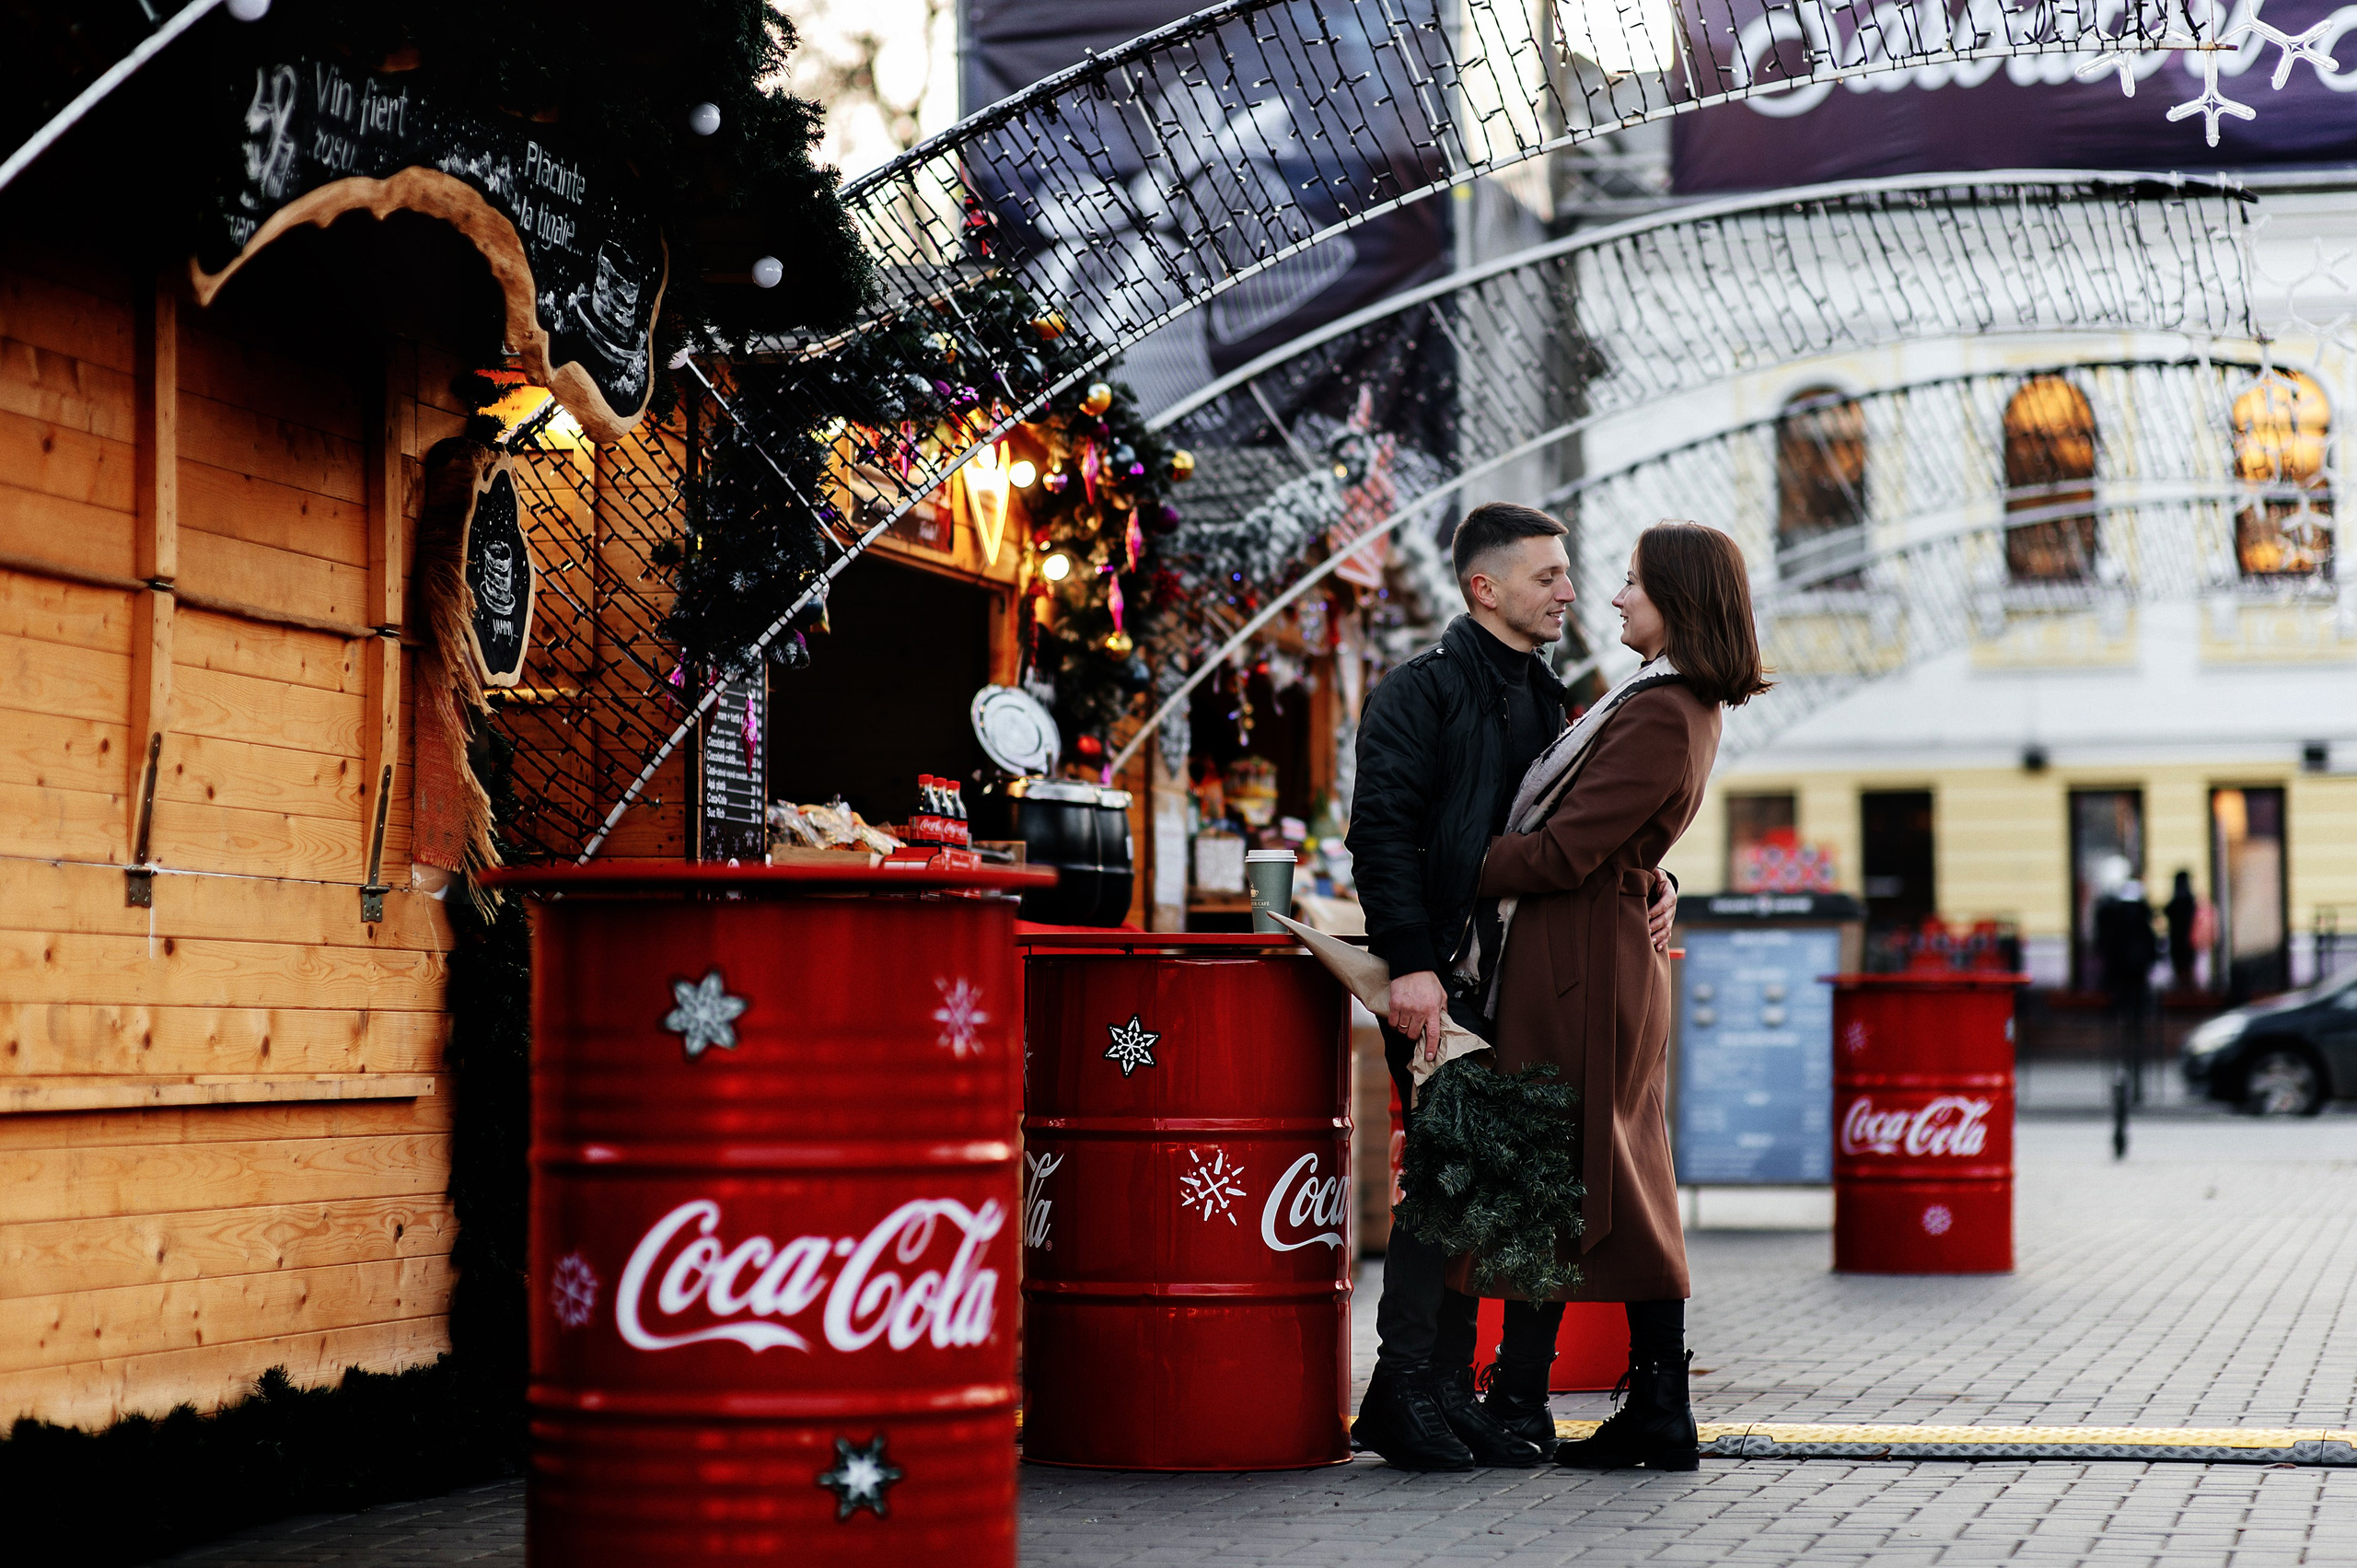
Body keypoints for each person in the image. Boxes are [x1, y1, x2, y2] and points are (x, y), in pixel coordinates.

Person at [1347, 503, 1677, 1471]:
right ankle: (1402, 1388)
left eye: (1568, 572)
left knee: (1501, 1187)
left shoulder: (1548, 694)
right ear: (1484, 587)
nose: (1570, 591)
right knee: (1444, 1182)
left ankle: (1453, 1388)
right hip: (1438, 977)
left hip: (1518, 977)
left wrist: (1658, 880)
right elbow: (1382, 836)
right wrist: (1411, 964)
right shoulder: (1418, 690)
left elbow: (1579, 830)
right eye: (1547, 575)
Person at [1470, 520, 1770, 1472]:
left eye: (1633, 582)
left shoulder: (1661, 709)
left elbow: (1566, 851)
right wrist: (1655, 879)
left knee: (1579, 1173)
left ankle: (1574, 1400)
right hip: (1590, 953)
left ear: (1677, 598)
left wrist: (1453, 861)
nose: (1613, 597)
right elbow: (1620, 842)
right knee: (1578, 1171)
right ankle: (1593, 1398)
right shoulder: (1664, 700)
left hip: (1580, 963)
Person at [2165, 869, 2201, 994]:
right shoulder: (2187, 901)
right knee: (2184, 970)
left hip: (2182, 940)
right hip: (2182, 941)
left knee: (2184, 970)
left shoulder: (2184, 901)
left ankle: (2186, 992)